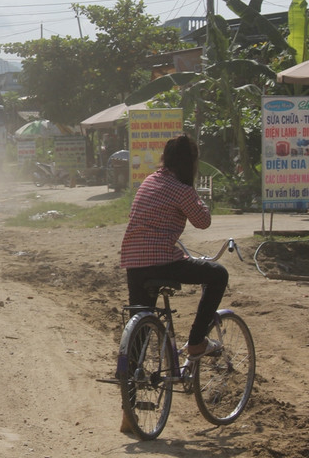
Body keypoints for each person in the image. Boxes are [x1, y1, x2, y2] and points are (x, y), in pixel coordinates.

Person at [119, 134, 228, 433]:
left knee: (139, 331)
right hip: (163, 261)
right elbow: (203, 221)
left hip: (133, 262)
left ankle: (128, 413)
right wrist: (197, 196)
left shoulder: (149, 181)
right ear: (190, 162)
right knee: (218, 274)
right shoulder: (181, 189)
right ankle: (196, 342)